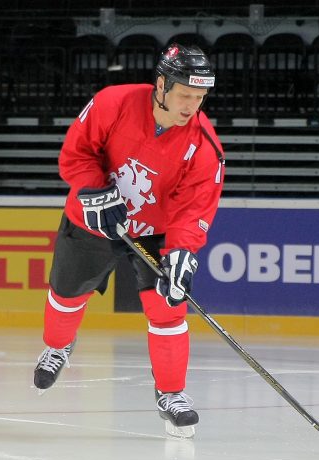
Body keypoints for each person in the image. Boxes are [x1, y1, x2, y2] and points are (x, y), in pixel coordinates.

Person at [33, 43, 225, 438]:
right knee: (66, 295)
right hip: (93, 219)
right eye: (185, 94)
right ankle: (57, 347)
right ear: (161, 84)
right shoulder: (113, 102)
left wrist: (182, 253)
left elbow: (195, 209)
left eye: (200, 97)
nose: (192, 105)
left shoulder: (204, 148)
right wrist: (92, 189)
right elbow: (76, 152)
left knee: (168, 307)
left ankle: (171, 394)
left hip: (155, 231)